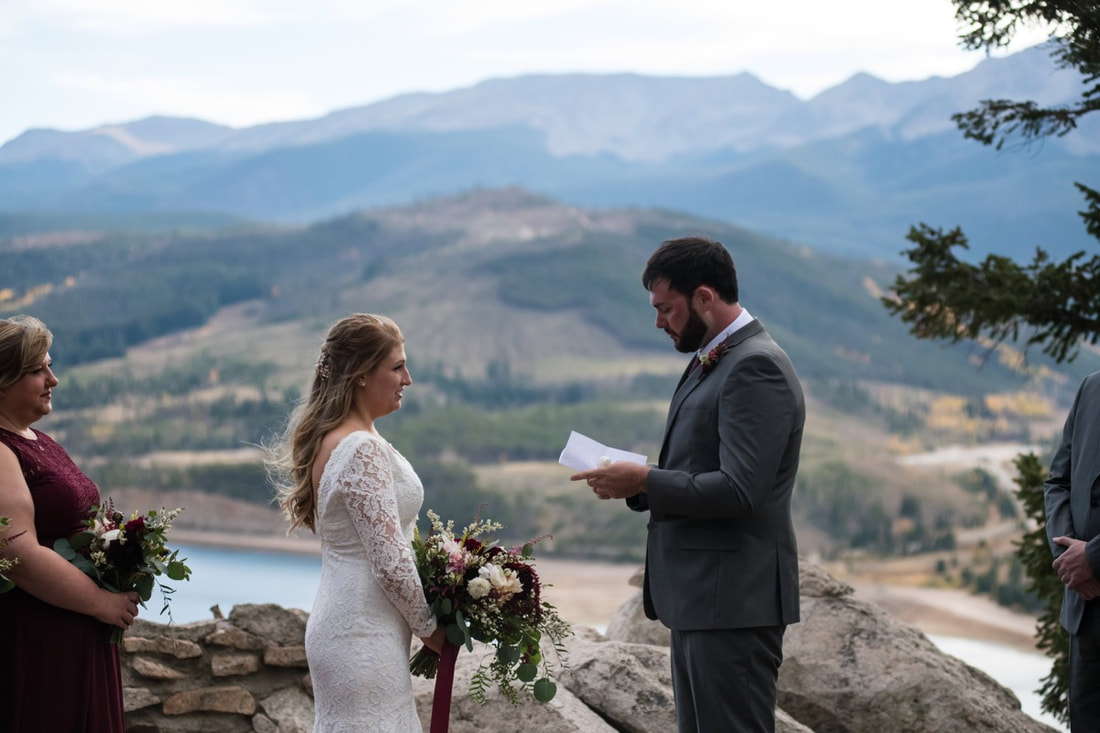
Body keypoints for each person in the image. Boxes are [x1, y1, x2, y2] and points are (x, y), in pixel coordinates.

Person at [571, 236, 804, 732]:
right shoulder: (716, 357)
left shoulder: (755, 366)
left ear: (705, 297)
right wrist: (635, 486)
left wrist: (647, 479)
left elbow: (741, 490)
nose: (659, 322)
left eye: (666, 309)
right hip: (706, 600)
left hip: (734, 602)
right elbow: (702, 467)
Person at [273, 313, 445, 732]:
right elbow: (389, 561)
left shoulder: (346, 437)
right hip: (361, 634)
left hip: (357, 623)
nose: (408, 379)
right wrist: (433, 631)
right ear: (362, 375)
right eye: (397, 367)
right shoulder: (360, 448)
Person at [0, 315, 140, 733]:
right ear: (3, 380)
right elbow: (15, 551)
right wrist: (103, 603)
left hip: (75, 629)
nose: (53, 379)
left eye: (50, 365)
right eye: (37, 370)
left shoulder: (40, 442)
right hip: (38, 638)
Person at [1044, 370, 1100, 731]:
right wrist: (1071, 561)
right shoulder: (1091, 387)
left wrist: (1094, 558)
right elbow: (1058, 482)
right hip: (1087, 612)